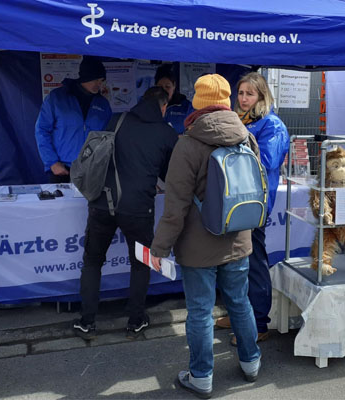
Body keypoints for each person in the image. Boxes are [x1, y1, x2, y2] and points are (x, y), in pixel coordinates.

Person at [150, 74, 262, 398]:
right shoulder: (246, 137)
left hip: (198, 248)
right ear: (227, 102)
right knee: (240, 302)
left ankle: (201, 376)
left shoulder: (187, 144)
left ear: (197, 104)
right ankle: (251, 361)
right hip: (239, 239)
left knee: (200, 311)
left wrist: (159, 248)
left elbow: (176, 207)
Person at [73, 87, 178, 340]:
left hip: (102, 203)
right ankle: (135, 321)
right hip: (138, 208)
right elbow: (170, 175)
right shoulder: (166, 132)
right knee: (140, 264)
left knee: (92, 261)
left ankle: (87, 322)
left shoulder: (117, 119)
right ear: (163, 107)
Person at [216, 72, 289, 346]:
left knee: (254, 261)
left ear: (261, 96)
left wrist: (239, 137)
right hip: (231, 200)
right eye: (241, 92)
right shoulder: (240, 119)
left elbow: (266, 161)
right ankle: (238, 315)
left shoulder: (272, 125)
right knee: (233, 261)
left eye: (250, 93)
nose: (243, 98)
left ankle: (259, 322)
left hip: (254, 205)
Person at [35, 56, 112, 183]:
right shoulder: (57, 98)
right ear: (86, 77)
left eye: (102, 80)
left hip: (93, 169)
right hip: (62, 170)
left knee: (92, 203)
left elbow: (109, 136)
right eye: (96, 79)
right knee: (62, 203)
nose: (100, 83)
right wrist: (52, 163)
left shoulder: (103, 104)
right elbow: (42, 130)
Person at [154, 64, 193, 134]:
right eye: (160, 87)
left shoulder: (186, 107)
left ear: (174, 86)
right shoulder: (147, 105)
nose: (164, 90)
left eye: (167, 86)